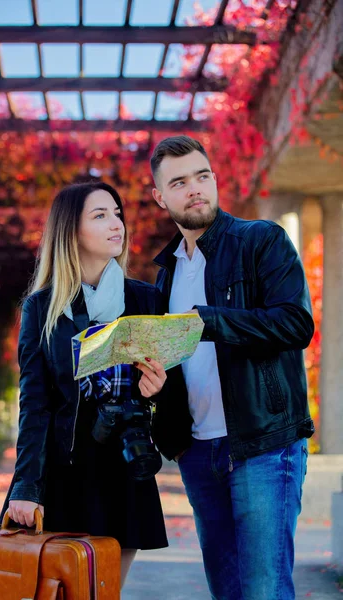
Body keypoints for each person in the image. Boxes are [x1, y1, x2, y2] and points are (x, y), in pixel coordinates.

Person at [150, 135, 315, 600]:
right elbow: (180, 364)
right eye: (179, 183)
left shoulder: (261, 241)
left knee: (263, 591)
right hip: (198, 453)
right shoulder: (166, 273)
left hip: (264, 445)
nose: (195, 189)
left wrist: (210, 320)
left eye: (202, 176)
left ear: (215, 179)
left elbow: (296, 323)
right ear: (161, 197)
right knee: (226, 591)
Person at [0, 181, 168, 588]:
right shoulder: (43, 307)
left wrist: (156, 387)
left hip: (124, 468)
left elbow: (173, 385)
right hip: (64, 470)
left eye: (116, 213)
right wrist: (26, 485)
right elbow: (35, 404)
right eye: (100, 215)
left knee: (105, 593)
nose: (117, 224)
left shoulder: (145, 300)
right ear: (71, 231)